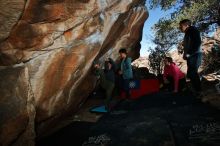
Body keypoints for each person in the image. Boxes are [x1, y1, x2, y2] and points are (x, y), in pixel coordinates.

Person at [179, 19, 202, 95]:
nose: (180, 27)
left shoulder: (192, 30)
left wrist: (189, 54)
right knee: (191, 73)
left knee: (192, 73)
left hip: (195, 54)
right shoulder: (188, 32)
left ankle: (199, 91)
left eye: (181, 25)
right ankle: (196, 90)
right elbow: (190, 43)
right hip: (192, 55)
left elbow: (197, 43)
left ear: (186, 25)